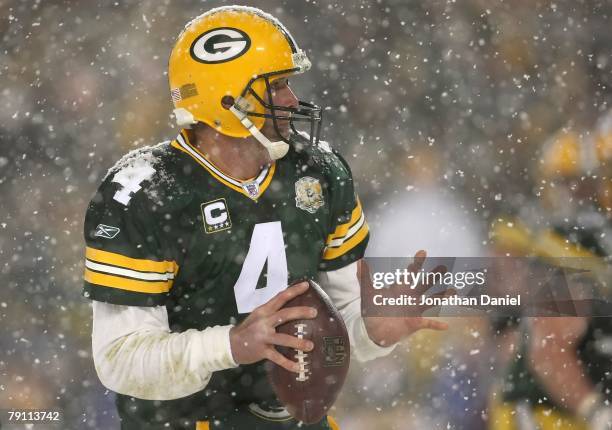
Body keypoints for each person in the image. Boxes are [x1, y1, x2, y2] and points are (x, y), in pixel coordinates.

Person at [82, 6, 446, 429]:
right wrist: (233, 345)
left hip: (294, 419)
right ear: (225, 98)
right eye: (275, 87)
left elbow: (335, 321)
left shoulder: (319, 173)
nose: (292, 100)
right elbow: (120, 361)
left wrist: (374, 327)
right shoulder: (145, 192)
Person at [489, 120, 612, 430]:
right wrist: (594, 408)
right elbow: (547, 346)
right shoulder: (566, 239)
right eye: (569, 183)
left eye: (584, 183)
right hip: (549, 410)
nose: (577, 194)